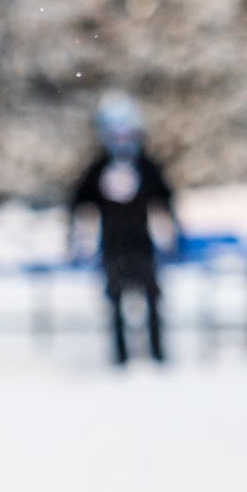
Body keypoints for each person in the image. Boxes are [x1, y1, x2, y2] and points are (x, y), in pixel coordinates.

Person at [69, 92, 178, 367]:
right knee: (116, 300)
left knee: (151, 299)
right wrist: (77, 236)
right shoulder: (97, 169)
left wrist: (171, 231)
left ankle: (157, 354)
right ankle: (120, 357)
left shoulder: (146, 166)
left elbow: (165, 199)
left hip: (142, 244)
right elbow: (80, 203)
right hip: (112, 245)